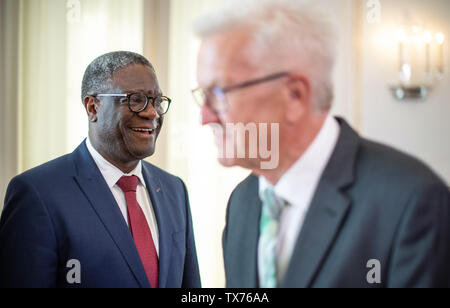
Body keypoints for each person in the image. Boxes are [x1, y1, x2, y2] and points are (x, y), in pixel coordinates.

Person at [193, 0, 450, 288]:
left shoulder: (410, 202)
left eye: (219, 93)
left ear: (294, 96)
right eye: (202, 95)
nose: (204, 116)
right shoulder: (242, 202)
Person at [0, 51, 201, 288]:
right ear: (93, 107)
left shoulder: (174, 189)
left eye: (157, 101)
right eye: (136, 100)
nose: (152, 113)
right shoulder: (38, 193)